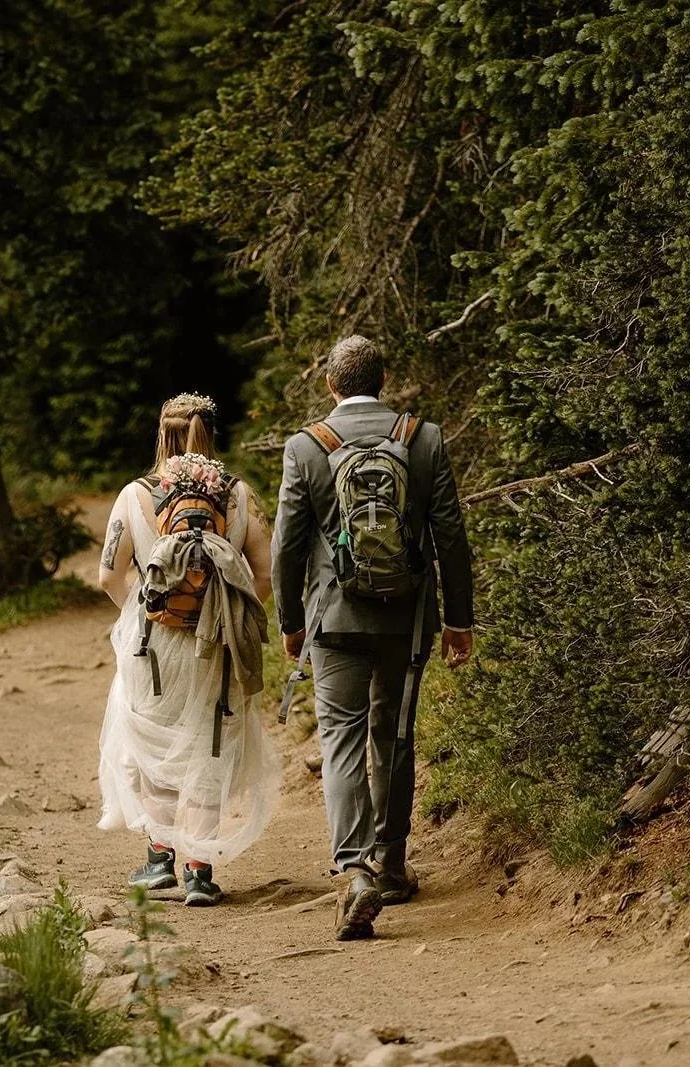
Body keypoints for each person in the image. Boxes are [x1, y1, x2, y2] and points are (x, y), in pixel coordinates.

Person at [271, 335, 474, 940]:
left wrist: (290, 621)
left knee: (340, 738)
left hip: (333, 618)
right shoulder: (424, 439)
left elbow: (286, 544)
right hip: (407, 617)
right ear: (383, 382)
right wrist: (459, 619)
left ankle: (355, 870)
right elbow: (450, 535)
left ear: (331, 386)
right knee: (395, 733)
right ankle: (391, 863)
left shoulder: (307, 447)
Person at [97, 393, 280, 906]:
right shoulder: (238, 494)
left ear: (162, 432)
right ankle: (199, 869)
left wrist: (140, 610)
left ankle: (159, 862)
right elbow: (265, 572)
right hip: (216, 643)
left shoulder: (134, 495)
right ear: (212, 433)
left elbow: (109, 573)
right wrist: (229, 612)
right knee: (210, 743)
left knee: (155, 744)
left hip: (152, 646)